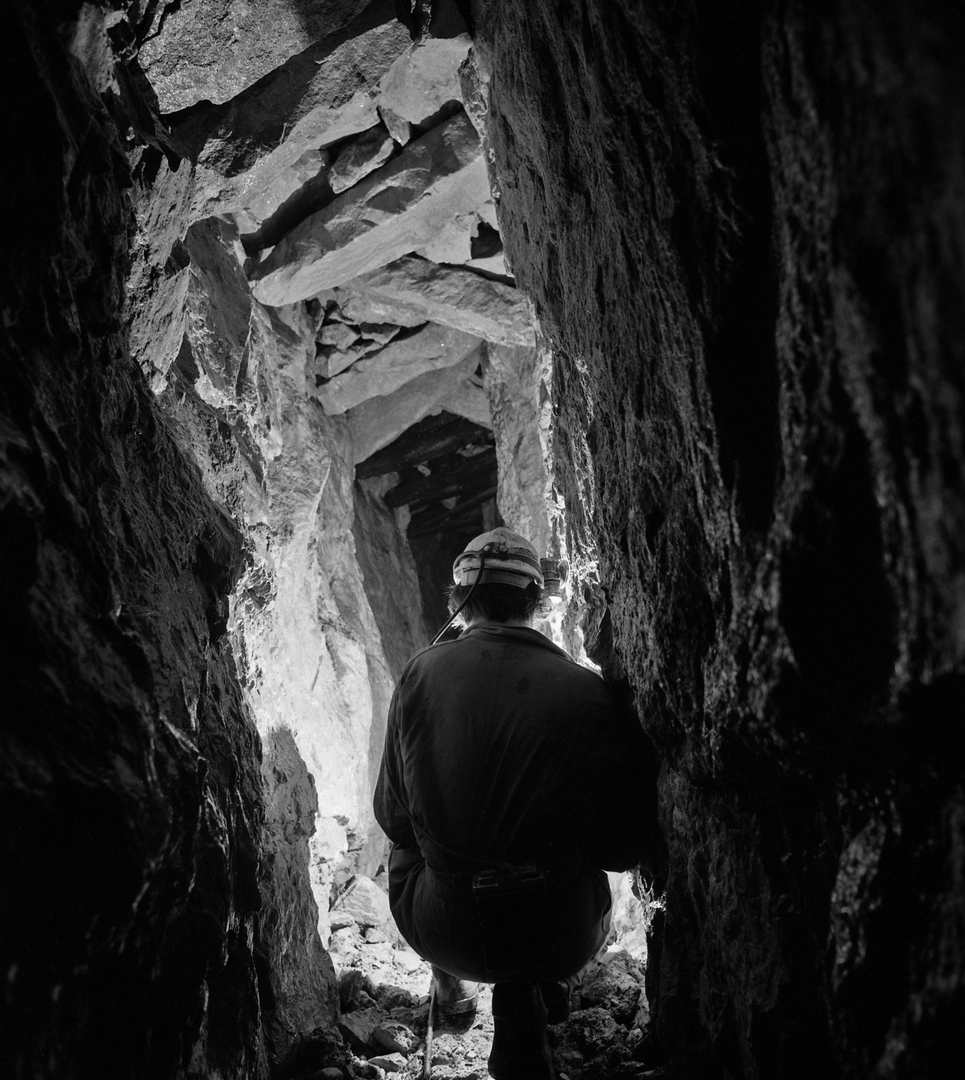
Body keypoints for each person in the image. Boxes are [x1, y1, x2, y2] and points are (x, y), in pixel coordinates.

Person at [373, 527, 657, 1079]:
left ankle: (452, 988)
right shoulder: (587, 690)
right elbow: (624, 846)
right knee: (569, 873)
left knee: (410, 851)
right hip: (563, 934)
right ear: (537, 600)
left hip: (449, 930)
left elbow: (393, 818)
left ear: (457, 603)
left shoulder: (417, 677)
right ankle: (529, 990)